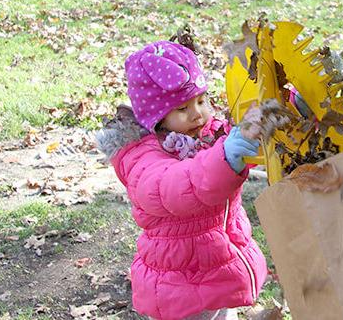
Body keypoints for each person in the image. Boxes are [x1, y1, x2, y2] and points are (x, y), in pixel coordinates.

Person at [95, 41, 268, 320]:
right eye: (182, 108)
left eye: (201, 101)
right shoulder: (143, 158)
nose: (197, 113)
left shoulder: (206, 134)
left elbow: (243, 129)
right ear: (158, 117)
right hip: (181, 282)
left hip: (215, 265)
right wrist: (224, 158)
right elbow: (176, 186)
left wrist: (279, 110)